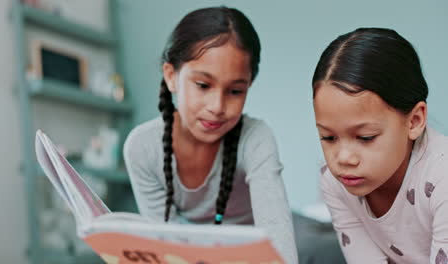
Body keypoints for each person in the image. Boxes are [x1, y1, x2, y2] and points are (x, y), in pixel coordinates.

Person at [123, 6, 298, 263]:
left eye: (235, 91)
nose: (217, 107)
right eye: (203, 85)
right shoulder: (143, 148)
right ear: (171, 76)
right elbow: (167, 244)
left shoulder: (255, 139)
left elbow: (279, 241)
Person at [312, 27, 448, 263]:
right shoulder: (335, 183)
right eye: (329, 138)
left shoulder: (442, 179)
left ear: (414, 121)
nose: (343, 158)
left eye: (365, 138)